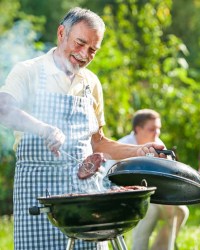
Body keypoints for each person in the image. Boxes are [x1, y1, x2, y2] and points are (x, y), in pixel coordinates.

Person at [0, 7, 164, 250]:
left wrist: (140, 150)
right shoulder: (29, 71)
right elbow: (4, 109)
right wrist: (43, 128)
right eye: (80, 43)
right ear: (61, 33)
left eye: (92, 50)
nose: (84, 54)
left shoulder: (91, 83)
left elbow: (98, 143)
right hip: (38, 193)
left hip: (85, 198)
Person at [117, 109, 189, 250]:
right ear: (138, 129)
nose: (157, 133)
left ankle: (160, 248)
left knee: (180, 211)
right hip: (123, 199)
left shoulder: (158, 144)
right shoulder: (123, 146)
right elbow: (110, 180)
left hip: (153, 196)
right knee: (150, 211)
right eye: (152, 129)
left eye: (158, 129)